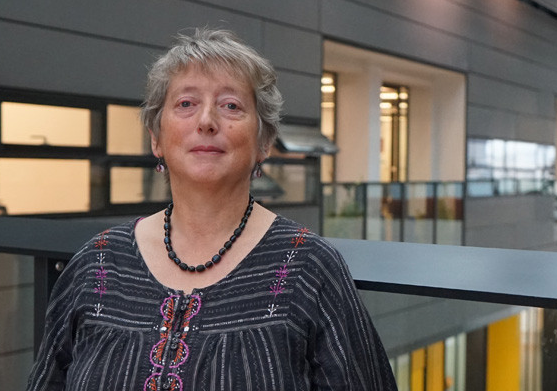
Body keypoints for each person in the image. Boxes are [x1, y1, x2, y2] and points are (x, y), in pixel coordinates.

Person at [27, 28, 397, 391]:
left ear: (264, 141)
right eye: (186, 104)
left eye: (230, 106)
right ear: (156, 137)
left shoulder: (310, 267)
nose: (206, 121)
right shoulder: (97, 264)